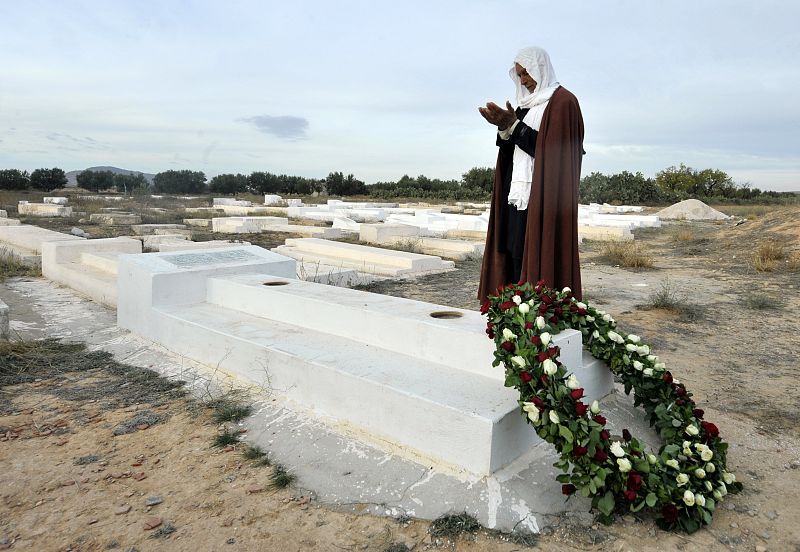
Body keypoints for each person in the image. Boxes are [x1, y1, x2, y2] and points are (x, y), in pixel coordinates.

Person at [477, 46, 584, 301]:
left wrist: (513, 126)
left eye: (527, 73)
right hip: (516, 193)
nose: (524, 80)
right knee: (514, 250)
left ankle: (538, 312)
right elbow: (511, 148)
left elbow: (554, 152)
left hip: (543, 197)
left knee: (538, 251)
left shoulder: (563, 102)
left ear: (541, 68)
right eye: (520, 75)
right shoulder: (524, 107)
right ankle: (515, 315)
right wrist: (504, 127)